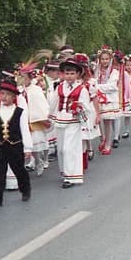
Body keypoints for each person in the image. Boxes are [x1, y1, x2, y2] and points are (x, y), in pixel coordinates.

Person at [0, 75, 33, 208]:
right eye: (2, 94)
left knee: (19, 170)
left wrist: (27, 148)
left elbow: (25, 130)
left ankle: (25, 189)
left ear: (13, 97)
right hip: (0, 146)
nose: (4, 97)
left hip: (15, 146)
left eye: (7, 94)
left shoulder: (19, 112)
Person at [48, 55, 91, 188]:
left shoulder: (82, 89)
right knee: (61, 150)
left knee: (69, 149)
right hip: (61, 120)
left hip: (73, 122)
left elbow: (86, 108)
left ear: (78, 74)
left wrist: (79, 108)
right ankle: (65, 173)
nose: (69, 76)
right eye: (67, 73)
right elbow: (53, 103)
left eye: (72, 73)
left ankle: (71, 177)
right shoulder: (60, 87)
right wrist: (49, 118)